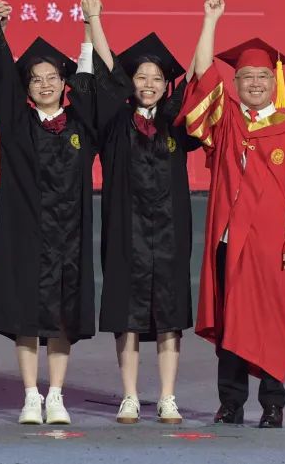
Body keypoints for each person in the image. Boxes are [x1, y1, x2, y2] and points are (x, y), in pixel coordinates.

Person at [177, 0, 285, 428]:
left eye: (263, 76)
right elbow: (204, 75)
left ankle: (273, 403)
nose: (255, 83)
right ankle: (231, 403)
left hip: (272, 245)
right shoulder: (228, 122)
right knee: (230, 321)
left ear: (275, 82)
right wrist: (210, 21)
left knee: (271, 322)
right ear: (236, 83)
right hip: (228, 240)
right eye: (246, 77)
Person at [0, 0, 113, 426]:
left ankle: (55, 395)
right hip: (25, 237)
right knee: (26, 317)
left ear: (63, 81)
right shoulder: (16, 122)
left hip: (68, 237)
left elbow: (95, 82)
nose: (44, 85)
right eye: (35, 79)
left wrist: (90, 28)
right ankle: (30, 396)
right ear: (27, 87)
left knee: (61, 317)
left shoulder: (81, 126)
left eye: (52, 77)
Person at [95, 31, 199, 425]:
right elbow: (108, 71)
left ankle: (168, 397)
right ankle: (130, 396)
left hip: (170, 234)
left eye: (157, 78)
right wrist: (94, 22)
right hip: (126, 235)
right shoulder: (114, 123)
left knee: (170, 316)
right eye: (141, 77)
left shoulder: (175, 122)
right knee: (127, 317)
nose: (149, 84)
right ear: (130, 82)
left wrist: (209, 22)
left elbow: (197, 75)